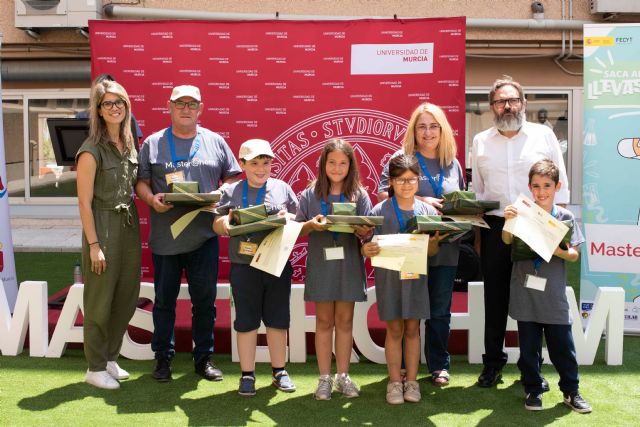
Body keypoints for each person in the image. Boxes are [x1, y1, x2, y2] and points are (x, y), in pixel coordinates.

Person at [136, 84, 241, 382]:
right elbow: (141, 182)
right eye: (179, 103)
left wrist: (220, 193)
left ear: (200, 109)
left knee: (204, 301)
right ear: (169, 107)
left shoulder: (215, 142)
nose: (185, 109)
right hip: (166, 238)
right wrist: (150, 199)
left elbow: (234, 180)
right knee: (165, 301)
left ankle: (203, 359)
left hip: (203, 237)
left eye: (191, 104)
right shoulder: (153, 143)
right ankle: (163, 359)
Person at [471, 75, 569, 388]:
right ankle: (493, 364)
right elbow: (479, 192)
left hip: (537, 224)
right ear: (491, 107)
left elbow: (561, 185)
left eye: (513, 99)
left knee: (535, 291)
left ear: (523, 103)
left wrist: (555, 227)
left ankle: (533, 366)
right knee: (495, 298)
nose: (507, 105)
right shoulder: (481, 141)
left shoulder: (544, 134)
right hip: (498, 225)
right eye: (500, 101)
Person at [379, 103, 465, 386]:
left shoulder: (452, 163)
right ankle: (404, 367)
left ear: (443, 130)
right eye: (422, 126)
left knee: (440, 309)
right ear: (413, 130)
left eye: (433, 126)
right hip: (406, 249)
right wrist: (423, 201)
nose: (428, 133)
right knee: (407, 308)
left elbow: (459, 200)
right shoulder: (401, 158)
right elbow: (383, 195)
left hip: (444, 246)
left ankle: (439, 365)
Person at [502, 159, 591, 413]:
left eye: (547, 186)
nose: (541, 192)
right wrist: (509, 221)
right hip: (525, 290)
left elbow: (574, 254)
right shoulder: (521, 211)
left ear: (557, 186)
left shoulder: (565, 216)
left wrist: (558, 251)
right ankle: (533, 388)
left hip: (552, 293)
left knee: (563, 346)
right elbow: (506, 239)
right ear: (530, 187)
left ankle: (571, 391)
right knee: (528, 347)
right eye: (536, 186)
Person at [214, 138, 299, 397]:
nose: (261, 168)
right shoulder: (230, 191)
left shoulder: (282, 188)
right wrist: (225, 226)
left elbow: (298, 217)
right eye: (254, 163)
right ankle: (247, 375)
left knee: (277, 320)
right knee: (246, 322)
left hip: (276, 264)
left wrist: (288, 218)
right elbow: (216, 221)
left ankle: (279, 371)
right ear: (242, 164)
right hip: (244, 266)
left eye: (266, 162)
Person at [296, 139, 373, 400]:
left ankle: (343, 376)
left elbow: (369, 233)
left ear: (350, 165)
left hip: (348, 265)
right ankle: (324, 378)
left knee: (345, 322)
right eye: (332, 162)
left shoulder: (359, 194)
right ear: (323, 164)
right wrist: (311, 225)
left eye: (343, 162)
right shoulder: (310, 194)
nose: (337, 167)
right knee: (323, 322)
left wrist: (364, 231)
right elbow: (297, 229)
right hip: (321, 265)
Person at [76, 79, 140, 389]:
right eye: (108, 104)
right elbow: (84, 202)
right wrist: (94, 245)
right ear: (99, 111)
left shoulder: (128, 143)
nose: (115, 108)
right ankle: (95, 366)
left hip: (128, 224)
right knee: (100, 300)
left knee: (126, 296)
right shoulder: (91, 150)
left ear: (127, 107)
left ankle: (110, 357)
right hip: (101, 225)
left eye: (120, 103)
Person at [362, 154, 441, 405]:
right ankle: (395, 381)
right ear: (391, 182)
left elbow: (431, 251)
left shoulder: (427, 211)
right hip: (389, 280)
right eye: (400, 180)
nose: (406, 185)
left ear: (418, 180)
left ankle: (413, 381)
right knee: (395, 329)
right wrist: (366, 249)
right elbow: (367, 244)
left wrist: (435, 243)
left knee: (412, 329)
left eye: (411, 179)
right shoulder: (379, 210)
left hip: (416, 278)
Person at [78, 74, 144, 143]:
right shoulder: (82, 116)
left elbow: (135, 140)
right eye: (107, 104)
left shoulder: (126, 114)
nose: (114, 108)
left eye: (118, 102)